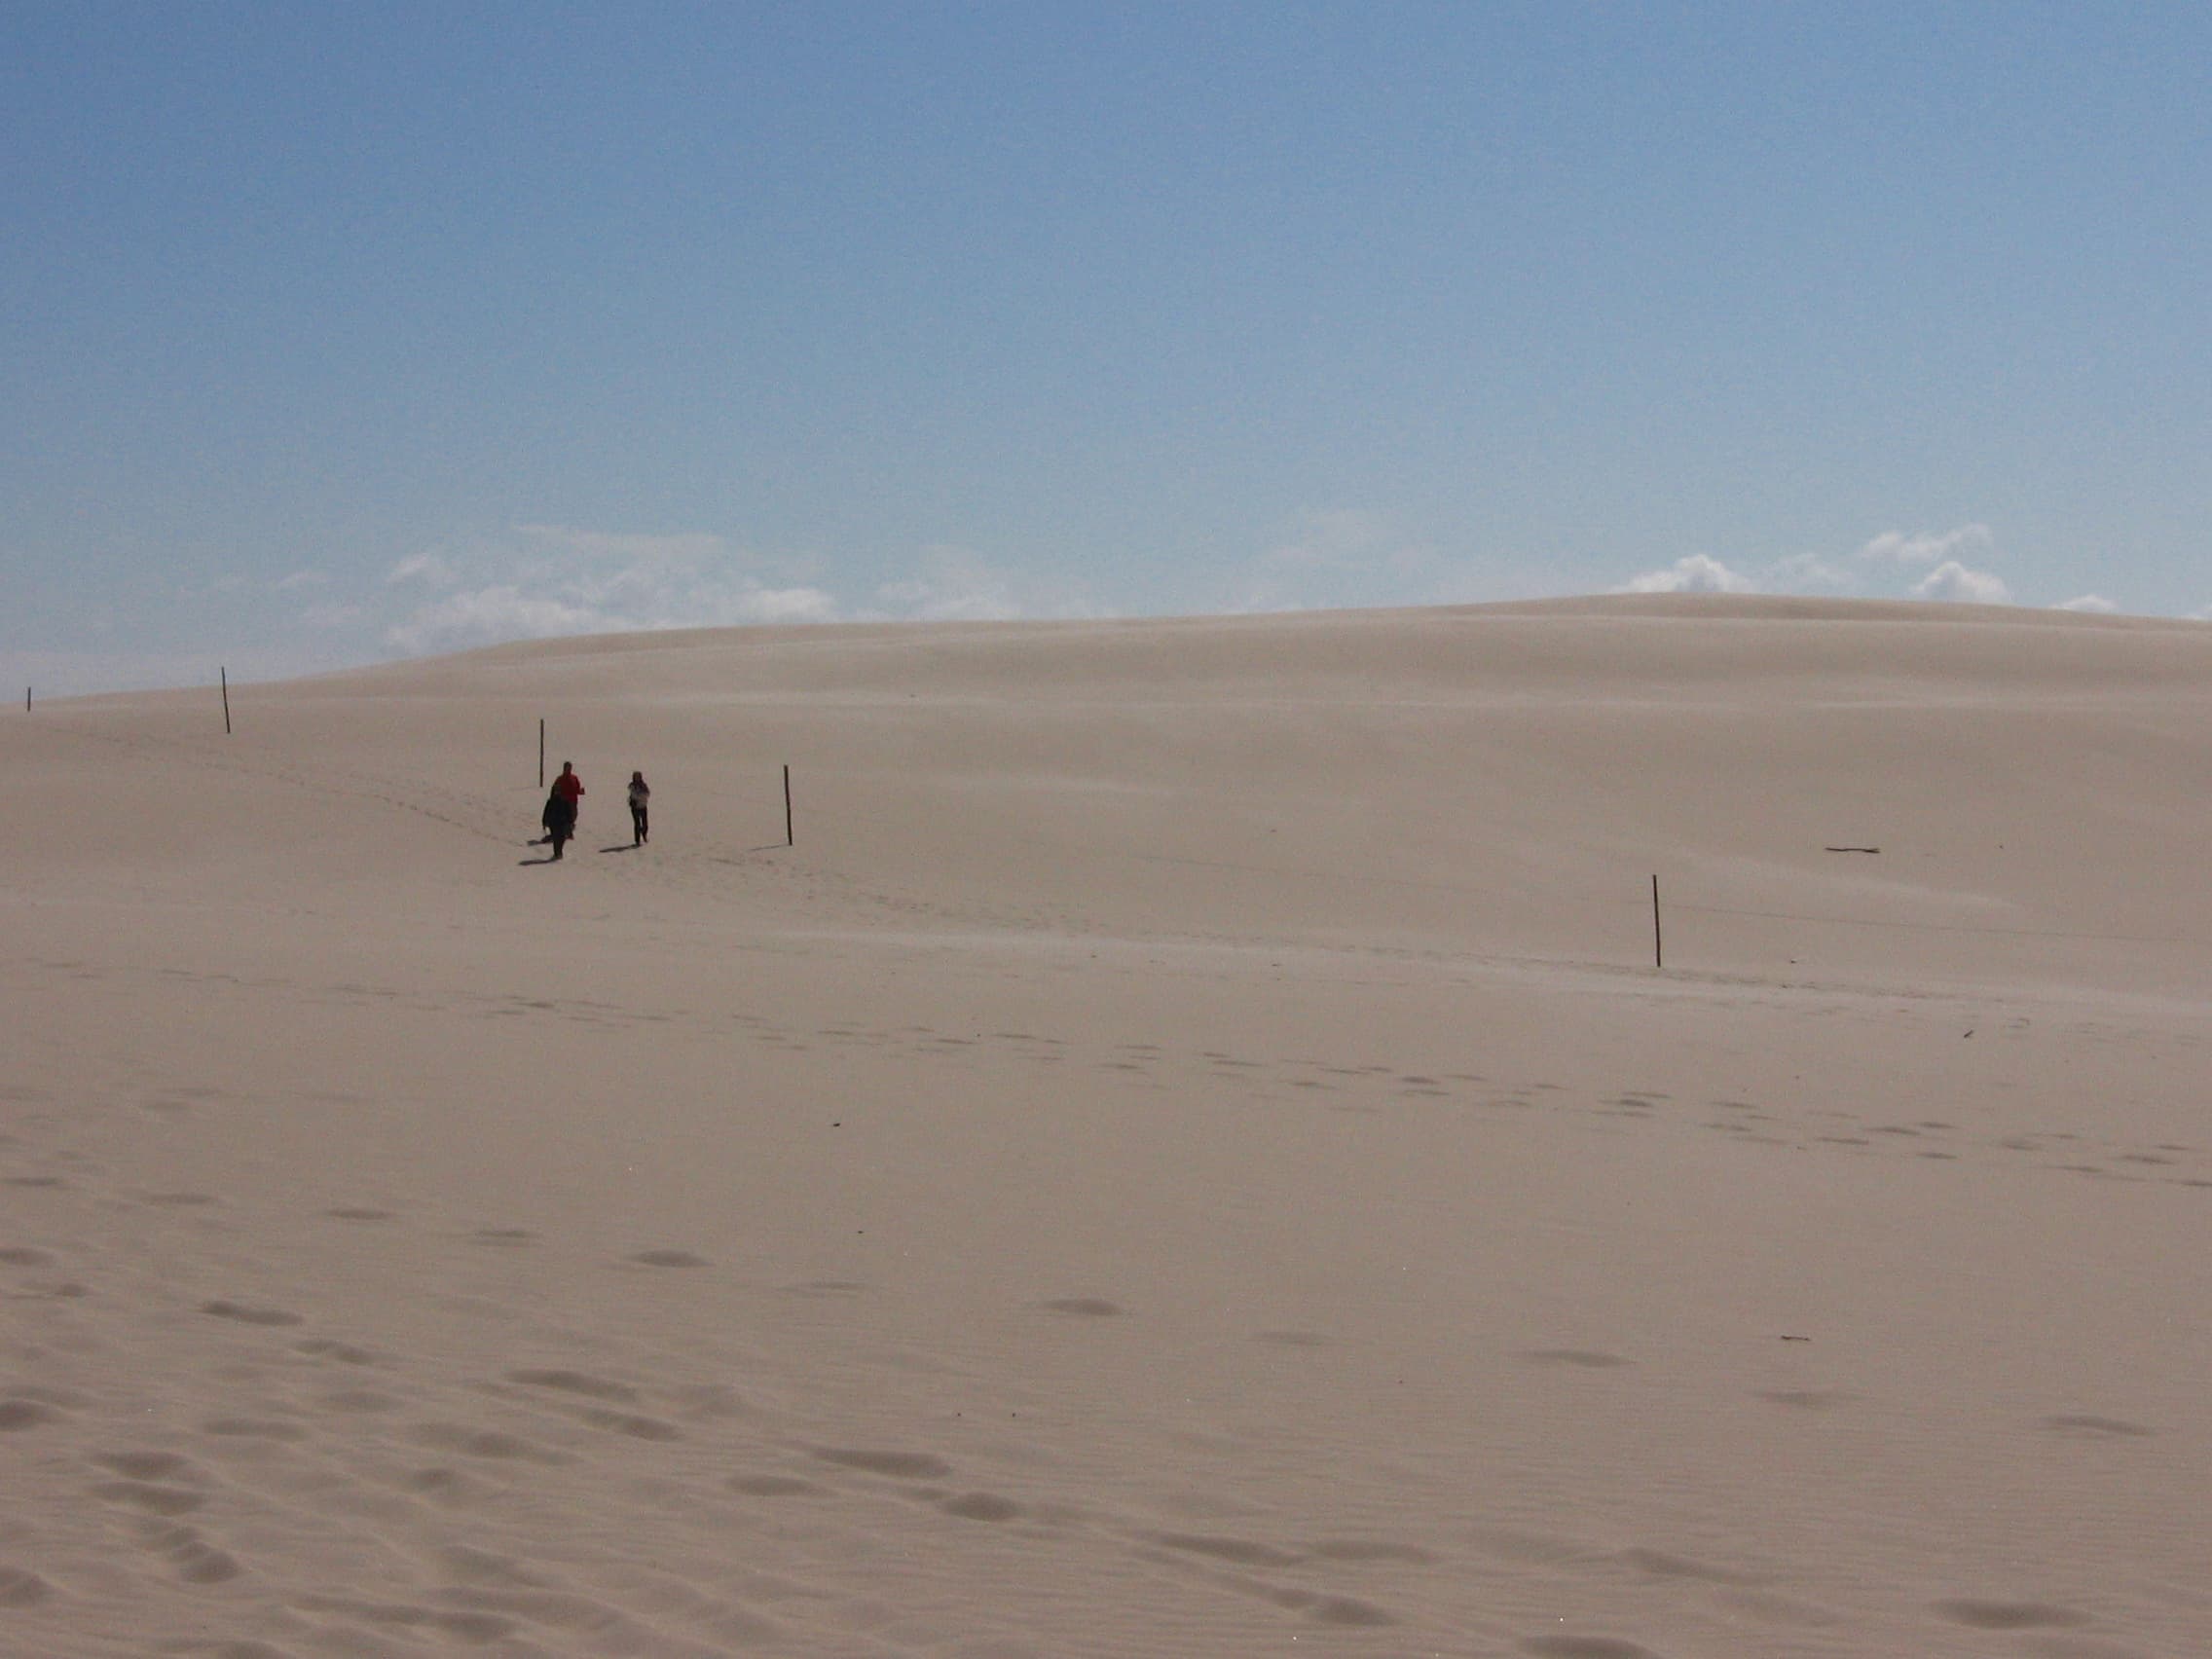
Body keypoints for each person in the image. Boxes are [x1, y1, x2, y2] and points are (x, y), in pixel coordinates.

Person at [541, 786, 576, 860]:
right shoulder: (550, 801)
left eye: (558, 791)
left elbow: (568, 812)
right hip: (553, 822)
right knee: (556, 838)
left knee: (562, 838)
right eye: (556, 791)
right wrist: (544, 822)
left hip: (562, 822)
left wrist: (571, 821)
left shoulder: (564, 801)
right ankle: (557, 853)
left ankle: (559, 852)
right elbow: (546, 812)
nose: (557, 792)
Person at [627, 771, 650, 846]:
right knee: (637, 824)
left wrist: (641, 795)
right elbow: (634, 795)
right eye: (635, 777)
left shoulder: (644, 785)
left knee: (645, 824)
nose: (637, 778)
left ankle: (644, 834)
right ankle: (637, 840)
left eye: (638, 777)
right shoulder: (632, 786)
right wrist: (641, 795)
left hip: (643, 806)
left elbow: (647, 794)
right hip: (635, 807)